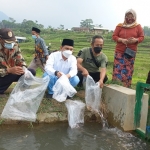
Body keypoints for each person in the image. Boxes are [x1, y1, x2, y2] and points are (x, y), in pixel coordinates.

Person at [112, 9, 144, 87]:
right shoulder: (120, 26)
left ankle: (126, 87)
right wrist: (121, 40)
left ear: (135, 17)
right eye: (127, 17)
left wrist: (135, 40)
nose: (129, 19)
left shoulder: (138, 26)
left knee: (128, 71)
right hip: (119, 52)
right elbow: (114, 36)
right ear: (125, 17)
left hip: (131, 52)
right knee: (118, 70)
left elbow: (142, 37)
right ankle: (116, 86)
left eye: (131, 17)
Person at [0, 28, 35, 98]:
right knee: (13, 73)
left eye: (12, 41)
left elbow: (20, 59)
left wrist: (24, 68)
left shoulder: (15, 45)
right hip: (2, 75)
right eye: (7, 42)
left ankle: (23, 90)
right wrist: (9, 70)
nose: (10, 44)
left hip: (10, 73)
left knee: (31, 72)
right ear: (0, 39)